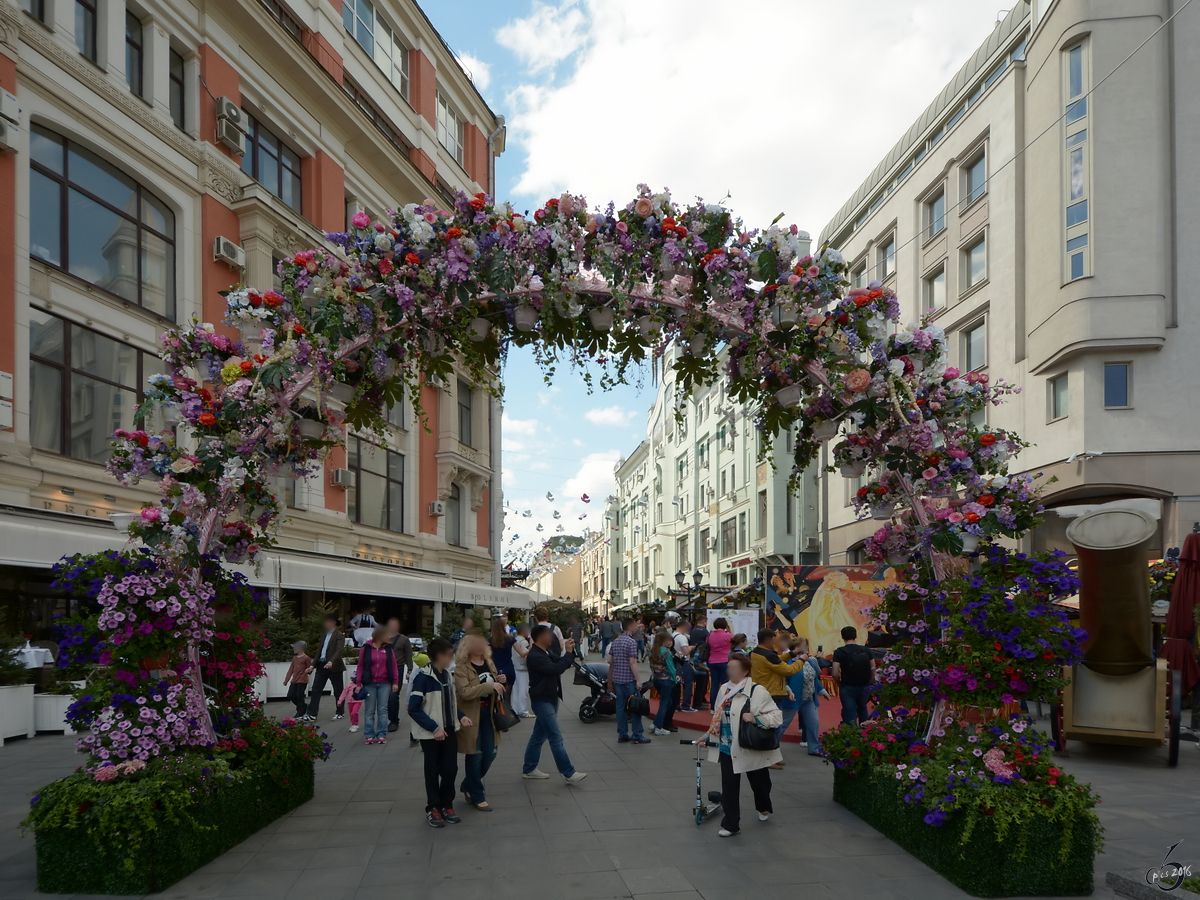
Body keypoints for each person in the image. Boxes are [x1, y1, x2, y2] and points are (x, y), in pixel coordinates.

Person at [698, 653, 783, 837]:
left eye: (734, 668)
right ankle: (731, 824)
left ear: (745, 671)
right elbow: (717, 719)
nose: (730, 671)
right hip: (728, 747)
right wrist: (707, 736)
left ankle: (763, 807)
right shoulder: (723, 690)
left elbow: (777, 716)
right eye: (729, 667)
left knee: (760, 784)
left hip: (750, 746)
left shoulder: (757, 691)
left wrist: (756, 718)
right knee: (729, 788)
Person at [409, 638, 471, 828]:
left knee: (450, 769)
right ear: (441, 656)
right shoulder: (423, 678)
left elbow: (450, 704)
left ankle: (447, 804)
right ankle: (433, 807)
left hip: (450, 731)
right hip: (432, 735)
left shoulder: (447, 676)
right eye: (450, 655)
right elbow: (413, 708)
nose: (452, 658)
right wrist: (434, 728)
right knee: (432, 770)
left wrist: (460, 716)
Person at [522, 624, 587, 784]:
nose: (551, 637)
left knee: (538, 736)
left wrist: (568, 652)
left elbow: (561, 662)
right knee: (555, 737)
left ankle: (529, 769)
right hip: (542, 701)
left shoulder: (545, 652)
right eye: (548, 634)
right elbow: (555, 668)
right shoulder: (535, 656)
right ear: (540, 637)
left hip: (550, 698)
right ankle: (568, 773)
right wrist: (569, 653)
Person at [454, 633, 506, 810]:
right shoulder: (461, 667)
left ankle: (469, 783)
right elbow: (465, 692)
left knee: (491, 752)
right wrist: (489, 686)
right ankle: (477, 794)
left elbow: (494, 686)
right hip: (471, 715)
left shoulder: (488, 663)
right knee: (475, 754)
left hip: (488, 713)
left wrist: (500, 681)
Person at [749, 628, 806, 766]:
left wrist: (792, 654)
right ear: (768, 639)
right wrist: (801, 660)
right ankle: (768, 758)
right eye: (774, 639)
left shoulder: (757, 652)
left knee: (771, 726)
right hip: (771, 694)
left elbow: (777, 660)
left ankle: (770, 757)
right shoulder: (768, 655)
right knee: (772, 726)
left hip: (764, 692)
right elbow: (788, 670)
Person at [781, 636, 829, 756]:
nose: (805, 648)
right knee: (782, 724)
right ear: (795, 648)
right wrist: (788, 691)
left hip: (808, 699)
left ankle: (814, 748)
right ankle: (771, 748)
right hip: (793, 699)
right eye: (803, 646)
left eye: (805, 646)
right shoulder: (788, 662)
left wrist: (823, 691)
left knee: (814, 722)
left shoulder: (810, 661)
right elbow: (783, 680)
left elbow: (814, 679)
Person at [608, 618, 650, 744]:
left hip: (617, 678)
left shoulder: (616, 641)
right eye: (636, 626)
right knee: (635, 706)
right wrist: (638, 680)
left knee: (620, 707)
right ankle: (637, 734)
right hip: (629, 679)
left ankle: (622, 734)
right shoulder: (631, 642)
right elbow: (633, 662)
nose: (637, 628)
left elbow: (610, 660)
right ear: (630, 627)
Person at [357, 626, 399, 745]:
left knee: (382, 709)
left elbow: (393, 666)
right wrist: (359, 683)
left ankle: (381, 734)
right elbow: (360, 666)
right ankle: (369, 734)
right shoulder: (366, 648)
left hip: (384, 683)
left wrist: (395, 682)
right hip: (369, 683)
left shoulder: (388, 649)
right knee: (369, 710)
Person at [304, 614, 346, 721]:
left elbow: (339, 650)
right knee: (316, 689)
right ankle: (312, 714)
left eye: (327, 621)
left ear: (333, 622)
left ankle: (340, 712)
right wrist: (313, 665)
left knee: (338, 690)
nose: (325, 623)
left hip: (334, 666)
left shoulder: (339, 635)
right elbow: (319, 651)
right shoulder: (324, 635)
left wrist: (331, 661)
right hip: (322, 665)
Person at [832, 625, 875, 725]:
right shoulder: (867, 650)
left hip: (847, 686)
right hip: (864, 685)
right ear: (856, 636)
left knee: (849, 711)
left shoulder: (839, 652)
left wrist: (839, 682)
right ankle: (865, 732)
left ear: (842, 637)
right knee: (863, 708)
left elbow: (834, 673)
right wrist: (869, 681)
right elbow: (873, 669)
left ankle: (851, 735)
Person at [384, 617, 413, 734]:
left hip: (398, 669)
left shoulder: (404, 640)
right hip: (383, 670)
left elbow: (408, 656)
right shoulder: (384, 638)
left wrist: (409, 670)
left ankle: (394, 721)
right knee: (384, 696)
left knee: (393, 695)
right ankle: (387, 719)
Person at [649, 631, 679, 736]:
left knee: (668, 702)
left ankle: (655, 723)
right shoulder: (666, 652)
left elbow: (651, 666)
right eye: (668, 641)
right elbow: (671, 668)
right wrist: (675, 679)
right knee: (665, 703)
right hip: (666, 680)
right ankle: (659, 727)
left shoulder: (654, 650)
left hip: (656, 679)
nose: (670, 643)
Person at [706, 619, 733, 709]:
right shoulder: (728, 635)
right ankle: (724, 705)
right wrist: (730, 631)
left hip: (712, 661)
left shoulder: (710, 636)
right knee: (725, 684)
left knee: (714, 684)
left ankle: (713, 707)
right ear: (725, 625)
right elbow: (735, 641)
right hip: (724, 660)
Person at [283, 640, 310, 718]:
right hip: (294, 680)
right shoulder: (294, 658)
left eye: (295, 648)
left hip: (302, 680)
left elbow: (310, 668)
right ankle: (303, 706)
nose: (294, 649)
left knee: (299, 696)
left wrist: (308, 671)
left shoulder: (306, 658)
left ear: (300, 648)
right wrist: (286, 679)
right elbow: (291, 669)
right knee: (290, 695)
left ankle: (300, 712)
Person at [673, 619, 696, 712]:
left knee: (677, 684)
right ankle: (686, 705)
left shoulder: (672, 635)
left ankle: (676, 704)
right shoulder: (682, 638)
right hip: (684, 661)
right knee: (687, 684)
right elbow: (686, 652)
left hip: (675, 661)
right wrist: (691, 648)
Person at [512, 623, 533, 717]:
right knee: (523, 691)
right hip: (523, 669)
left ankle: (515, 710)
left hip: (515, 668)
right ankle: (523, 710)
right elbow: (526, 655)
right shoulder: (524, 642)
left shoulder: (514, 640)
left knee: (515, 691)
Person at [489, 617, 517, 688]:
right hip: (509, 667)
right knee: (508, 694)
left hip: (496, 668)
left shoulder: (490, 640)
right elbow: (522, 653)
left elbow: (488, 656)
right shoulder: (510, 639)